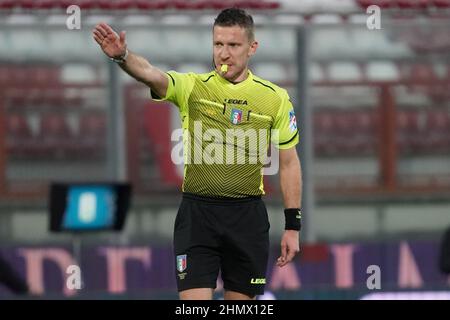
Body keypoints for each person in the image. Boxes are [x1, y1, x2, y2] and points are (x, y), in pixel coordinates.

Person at [93, 7, 302, 300]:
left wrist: (293, 227)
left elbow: (290, 163)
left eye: (233, 45)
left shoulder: (275, 99)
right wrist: (123, 57)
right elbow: (151, 75)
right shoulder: (193, 87)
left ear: (252, 47)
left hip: (247, 218)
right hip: (198, 217)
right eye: (218, 44)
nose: (224, 54)